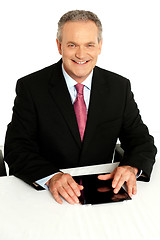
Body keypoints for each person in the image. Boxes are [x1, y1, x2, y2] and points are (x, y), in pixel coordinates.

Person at [4, 10, 157, 205]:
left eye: (89, 45)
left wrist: (131, 167)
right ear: (59, 46)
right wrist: (51, 176)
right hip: (48, 196)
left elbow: (141, 140)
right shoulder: (31, 87)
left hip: (102, 192)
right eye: (72, 45)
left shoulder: (119, 87)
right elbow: (16, 147)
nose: (81, 54)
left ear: (99, 46)